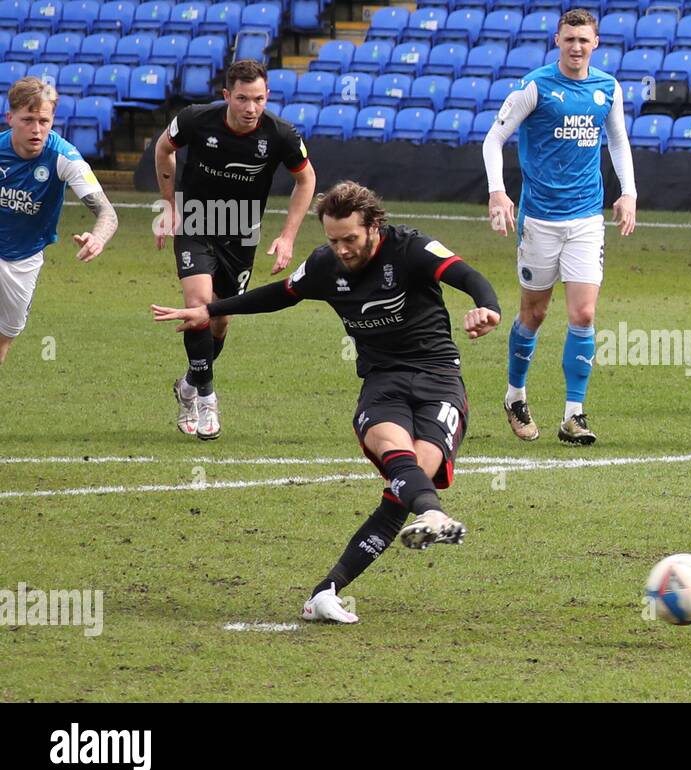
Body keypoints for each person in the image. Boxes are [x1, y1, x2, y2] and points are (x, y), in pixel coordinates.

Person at [152, 181, 502, 624]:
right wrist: (214, 309)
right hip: (383, 383)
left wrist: (487, 308)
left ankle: (325, 592)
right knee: (401, 464)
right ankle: (433, 515)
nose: (341, 249)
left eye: (350, 239)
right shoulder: (324, 264)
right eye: (333, 240)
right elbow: (280, 294)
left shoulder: (410, 248)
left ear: (374, 226)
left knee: (402, 493)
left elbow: (468, 276)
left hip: (439, 381)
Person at [482, 7, 636, 446]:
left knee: (583, 313)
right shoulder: (535, 86)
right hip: (540, 219)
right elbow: (494, 139)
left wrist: (628, 192)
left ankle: (574, 415)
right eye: (569, 39)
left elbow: (619, 140)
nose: (576, 47)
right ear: (557, 41)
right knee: (534, 313)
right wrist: (498, 191)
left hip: (587, 217)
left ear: (596, 43)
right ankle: (515, 395)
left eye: (584, 40)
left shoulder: (607, 88)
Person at [154, 59, 317, 439]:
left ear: (267, 96)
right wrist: (167, 206)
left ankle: (190, 384)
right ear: (227, 95)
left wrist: (288, 236)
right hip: (195, 222)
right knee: (198, 306)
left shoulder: (281, 135)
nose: (250, 108)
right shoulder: (196, 119)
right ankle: (207, 397)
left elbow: (306, 180)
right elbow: (164, 149)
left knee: (221, 318)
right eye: (242, 98)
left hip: (242, 232)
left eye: (258, 99)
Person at [0, 77, 118, 367]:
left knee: (5, 336)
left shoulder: (65, 158)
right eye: (28, 120)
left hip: (23, 259)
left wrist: (98, 238)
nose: (36, 129)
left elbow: (107, 213)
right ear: (10, 117)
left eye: (44, 120)